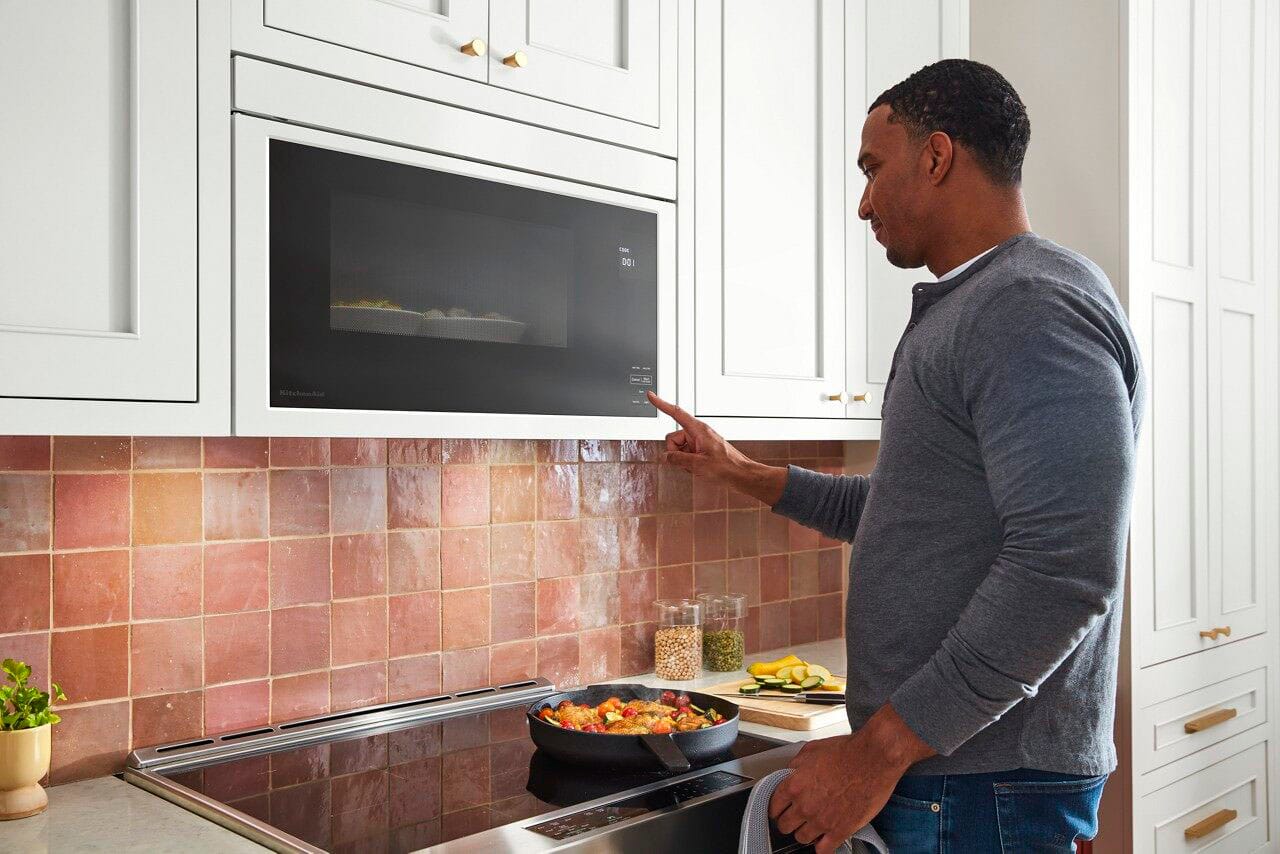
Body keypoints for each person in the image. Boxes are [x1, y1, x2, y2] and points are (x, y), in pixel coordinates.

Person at [647, 59, 1144, 853]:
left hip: (979, 783)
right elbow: (908, 511)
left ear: (937, 157)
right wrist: (736, 469)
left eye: (874, 169)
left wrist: (875, 754)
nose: (863, 202)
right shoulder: (983, 305)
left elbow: (1065, 569)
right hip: (957, 774)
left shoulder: (1028, 307)